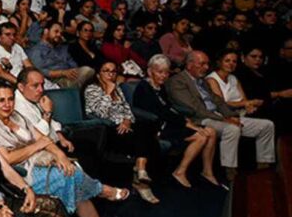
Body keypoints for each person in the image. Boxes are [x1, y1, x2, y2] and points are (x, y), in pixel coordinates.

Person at [0, 82, 126, 217]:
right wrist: (38, 146)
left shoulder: (17, 117)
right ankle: (101, 194)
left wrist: (61, 156)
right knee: (70, 176)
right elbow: (9, 159)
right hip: (20, 175)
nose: (7, 104)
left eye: (11, 99)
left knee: (70, 171)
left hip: (40, 160)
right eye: (1, 100)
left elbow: (43, 138)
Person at [166, 50, 275, 179]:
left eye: (207, 64)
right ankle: (229, 170)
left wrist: (231, 115)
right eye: (202, 64)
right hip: (201, 119)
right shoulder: (177, 81)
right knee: (232, 129)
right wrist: (224, 119)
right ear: (189, 65)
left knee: (266, 125)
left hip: (218, 116)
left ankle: (263, 165)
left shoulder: (202, 81)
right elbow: (194, 109)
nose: (206, 67)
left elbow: (219, 101)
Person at [134, 55, 220, 188]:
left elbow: (168, 107)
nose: (164, 76)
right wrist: (187, 124)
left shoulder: (160, 87)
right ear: (150, 71)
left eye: (166, 72)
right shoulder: (143, 87)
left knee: (211, 132)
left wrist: (185, 120)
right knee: (201, 136)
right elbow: (160, 113)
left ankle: (207, 171)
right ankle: (180, 172)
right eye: (160, 72)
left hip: (169, 122)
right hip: (155, 127)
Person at [84, 60, 162, 203]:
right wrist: (108, 92)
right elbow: (100, 113)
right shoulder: (91, 89)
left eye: (113, 71)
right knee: (147, 137)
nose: (110, 74)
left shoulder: (118, 89)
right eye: (106, 71)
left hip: (126, 127)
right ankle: (141, 180)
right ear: (98, 74)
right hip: (109, 130)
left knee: (145, 127)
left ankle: (140, 168)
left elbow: (128, 111)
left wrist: (126, 121)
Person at [28, 22, 94, 89]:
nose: (59, 34)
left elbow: (71, 62)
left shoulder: (62, 48)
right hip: (55, 81)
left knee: (91, 72)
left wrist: (73, 71)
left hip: (70, 75)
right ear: (46, 31)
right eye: (56, 31)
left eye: (61, 33)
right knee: (88, 71)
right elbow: (40, 71)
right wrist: (62, 73)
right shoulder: (36, 50)